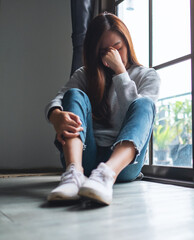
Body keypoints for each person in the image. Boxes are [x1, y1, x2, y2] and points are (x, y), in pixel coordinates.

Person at [45, 12, 160, 205]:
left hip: (124, 165)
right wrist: (56, 116)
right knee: (74, 94)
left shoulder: (148, 76)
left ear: (127, 43)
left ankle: (105, 175)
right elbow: (58, 99)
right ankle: (73, 174)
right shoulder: (85, 74)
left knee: (144, 104)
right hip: (85, 157)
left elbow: (135, 115)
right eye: (103, 52)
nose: (111, 56)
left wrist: (120, 72)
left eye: (117, 48)